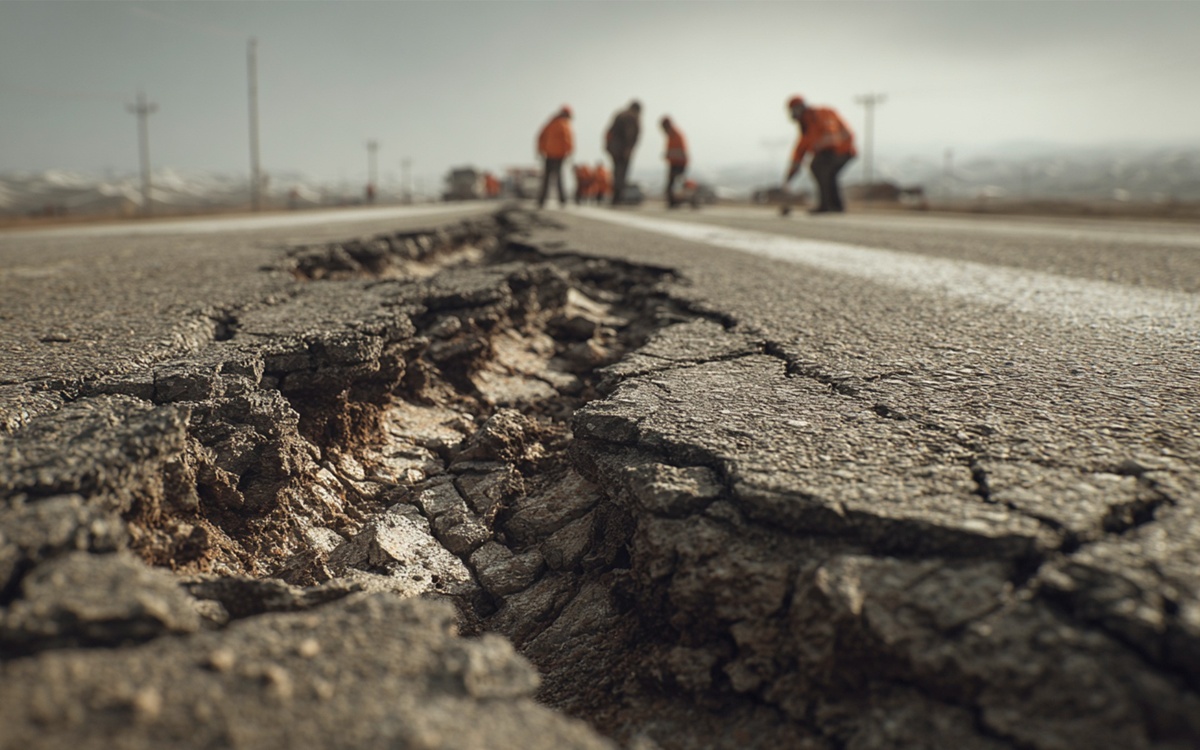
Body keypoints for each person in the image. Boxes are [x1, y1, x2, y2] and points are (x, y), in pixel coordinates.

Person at [784, 95, 856, 213]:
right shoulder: (807, 130)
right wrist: (790, 176)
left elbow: (832, 135)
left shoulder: (821, 115)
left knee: (819, 167)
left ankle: (827, 205)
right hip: (831, 153)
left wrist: (820, 146)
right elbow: (799, 154)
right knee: (827, 173)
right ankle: (835, 206)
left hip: (843, 150)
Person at [536, 105, 574, 208]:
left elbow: (540, 136)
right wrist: (569, 152)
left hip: (549, 154)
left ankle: (541, 201)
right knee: (559, 178)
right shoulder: (564, 124)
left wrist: (540, 150)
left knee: (547, 178)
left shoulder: (550, 123)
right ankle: (563, 200)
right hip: (559, 155)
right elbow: (568, 139)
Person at [604, 100, 641, 205]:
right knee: (621, 173)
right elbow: (630, 134)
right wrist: (628, 149)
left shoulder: (620, 115)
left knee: (616, 172)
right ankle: (618, 197)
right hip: (622, 150)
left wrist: (608, 146)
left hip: (614, 149)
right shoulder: (631, 117)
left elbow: (609, 131)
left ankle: (616, 197)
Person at [660, 116, 688, 208]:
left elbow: (682, 153)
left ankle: (678, 200)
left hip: (679, 164)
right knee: (671, 184)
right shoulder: (671, 135)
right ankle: (673, 202)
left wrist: (669, 154)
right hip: (673, 163)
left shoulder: (676, 135)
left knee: (676, 184)